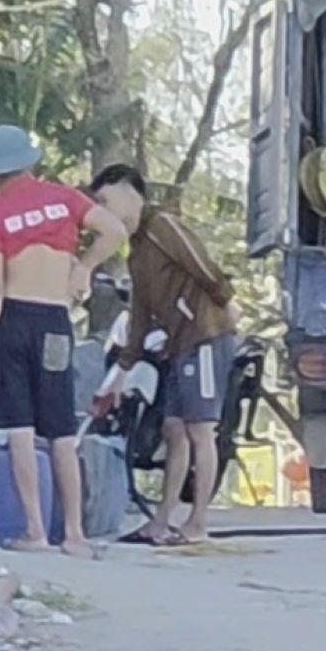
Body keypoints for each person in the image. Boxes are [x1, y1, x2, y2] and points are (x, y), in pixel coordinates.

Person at [0, 125, 127, 558]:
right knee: (61, 430)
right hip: (55, 322)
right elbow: (115, 230)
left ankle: (35, 531)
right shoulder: (64, 199)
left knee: (20, 428)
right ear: (30, 163)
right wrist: (85, 267)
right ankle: (74, 533)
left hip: (12, 321)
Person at [91, 164, 240, 545]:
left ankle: (198, 522)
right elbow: (141, 313)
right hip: (178, 344)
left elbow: (199, 261)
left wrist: (225, 302)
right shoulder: (136, 250)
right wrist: (123, 368)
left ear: (129, 192)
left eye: (106, 200)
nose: (103, 210)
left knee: (201, 429)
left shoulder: (162, 227)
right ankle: (160, 521)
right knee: (174, 429)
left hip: (205, 334)